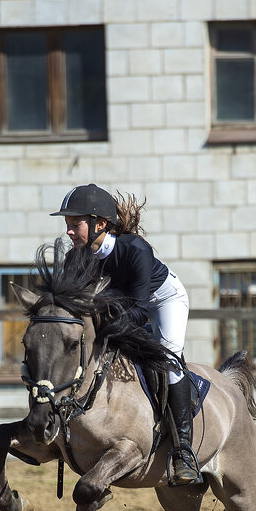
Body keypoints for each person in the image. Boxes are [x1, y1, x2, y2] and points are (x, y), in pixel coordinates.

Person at [51, 182, 201, 485]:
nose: (68, 232)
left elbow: (140, 312)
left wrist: (105, 327)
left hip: (163, 301)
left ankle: (184, 451)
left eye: (74, 225)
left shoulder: (134, 250)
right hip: (121, 308)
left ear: (100, 225)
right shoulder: (75, 258)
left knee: (168, 359)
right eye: (67, 225)